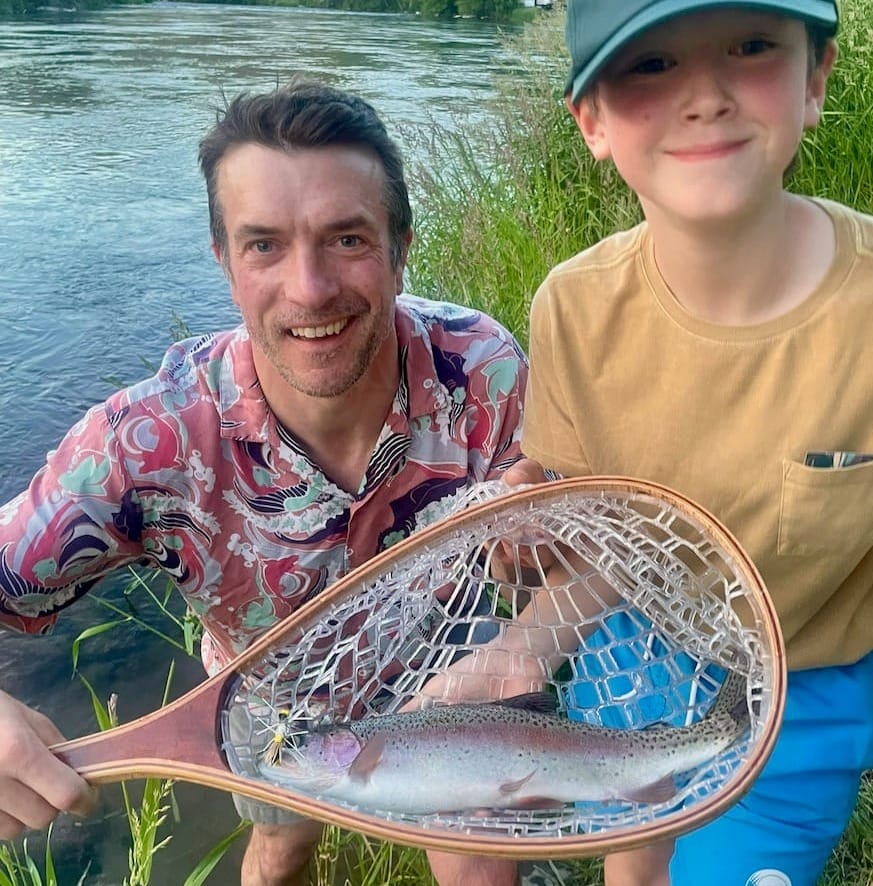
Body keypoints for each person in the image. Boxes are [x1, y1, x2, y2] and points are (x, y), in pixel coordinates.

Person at [434, 0, 873, 884]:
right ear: (592, 122)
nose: (706, 95)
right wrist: (519, 647)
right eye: (649, 65)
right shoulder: (573, 304)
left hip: (806, 691)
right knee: (631, 859)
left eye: (752, 47)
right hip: (626, 653)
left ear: (817, 77)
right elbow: (606, 529)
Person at [0, 80, 527, 886]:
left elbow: (551, 536)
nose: (310, 289)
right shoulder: (149, 444)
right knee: (280, 852)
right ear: (223, 261)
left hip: (445, 674)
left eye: (348, 238)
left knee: (480, 865)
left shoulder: (481, 368)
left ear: (402, 244)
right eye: (264, 245)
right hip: (270, 703)